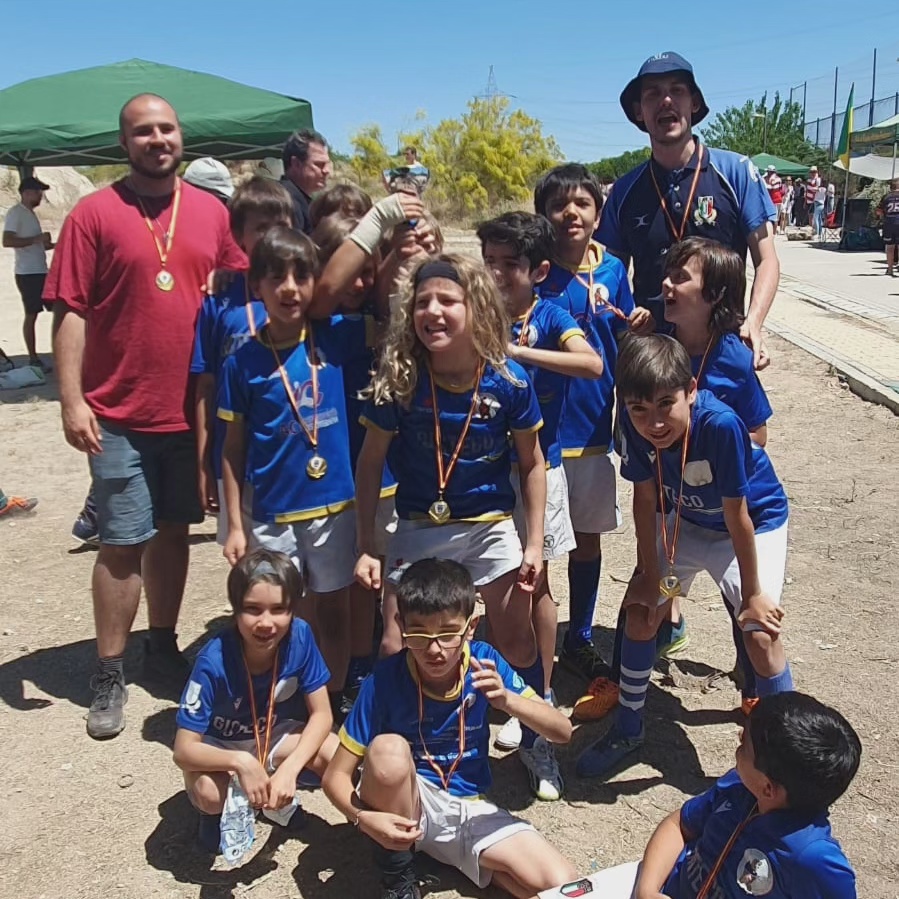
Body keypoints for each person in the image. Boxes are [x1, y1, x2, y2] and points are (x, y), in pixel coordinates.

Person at [45, 93, 247, 740]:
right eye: (143, 131)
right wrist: (72, 399)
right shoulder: (93, 213)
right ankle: (109, 669)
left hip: (190, 414)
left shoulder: (212, 212)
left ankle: (162, 646)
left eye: (167, 129)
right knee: (121, 541)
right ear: (123, 142)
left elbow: (241, 293)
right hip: (117, 412)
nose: (158, 140)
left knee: (173, 532)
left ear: (181, 136)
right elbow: (70, 310)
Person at [354, 256, 549, 760]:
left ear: (477, 307)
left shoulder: (509, 381)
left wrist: (533, 543)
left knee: (516, 641)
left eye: (447, 300)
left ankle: (535, 742)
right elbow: (370, 464)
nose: (433, 312)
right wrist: (366, 545)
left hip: (488, 527)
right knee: (396, 644)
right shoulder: (400, 380)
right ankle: (394, 747)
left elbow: (532, 464)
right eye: (422, 302)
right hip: (418, 525)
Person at [578, 335, 793, 779]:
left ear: (691, 390)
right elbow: (644, 500)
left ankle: (784, 756)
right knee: (642, 613)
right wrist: (649, 574)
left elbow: (737, 517)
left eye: (665, 404)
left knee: (760, 633)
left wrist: (752, 594)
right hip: (687, 522)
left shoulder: (721, 425)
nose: (654, 422)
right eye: (639, 408)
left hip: (753, 523)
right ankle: (628, 729)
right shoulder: (634, 426)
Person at [322, 558, 578, 899]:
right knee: (387, 751)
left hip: (468, 808)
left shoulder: (484, 662)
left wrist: (508, 702)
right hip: (412, 802)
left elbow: (562, 731)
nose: (434, 649)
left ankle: (449, 858)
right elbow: (335, 777)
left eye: (447, 634)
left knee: (562, 883)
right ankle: (398, 877)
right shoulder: (383, 680)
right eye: (419, 635)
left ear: (471, 627)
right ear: (401, 625)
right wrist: (361, 817)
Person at [218, 226, 373, 712]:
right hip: (273, 515)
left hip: (336, 508)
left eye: (302, 277)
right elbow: (232, 450)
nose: (289, 288)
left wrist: (385, 220)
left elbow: (395, 311)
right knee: (279, 614)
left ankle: (332, 702)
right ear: (256, 286)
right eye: (276, 278)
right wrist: (235, 525)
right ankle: (281, 707)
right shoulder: (242, 363)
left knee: (334, 610)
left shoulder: (336, 337)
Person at [477, 211, 603, 797]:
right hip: (478, 473)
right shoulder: (474, 310)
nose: (498, 273)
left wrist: (518, 354)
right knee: (492, 593)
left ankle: (538, 698)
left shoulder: (550, 315)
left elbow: (591, 363)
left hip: (538, 470)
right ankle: (501, 694)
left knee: (537, 585)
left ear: (540, 271)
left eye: (511, 263)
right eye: (490, 261)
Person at [563, 692, 860, 899]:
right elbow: (679, 824)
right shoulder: (739, 786)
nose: (738, 739)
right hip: (661, 884)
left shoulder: (813, 859)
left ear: (768, 788)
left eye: (745, 745)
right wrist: (647, 891)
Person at [533, 164, 645, 687]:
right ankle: (535, 642)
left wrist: (637, 325)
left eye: (582, 203)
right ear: (543, 214)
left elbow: (621, 339)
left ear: (599, 214)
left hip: (595, 427)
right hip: (542, 434)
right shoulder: (535, 271)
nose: (571, 213)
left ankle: (578, 636)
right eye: (559, 204)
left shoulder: (614, 270)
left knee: (588, 540)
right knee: (540, 546)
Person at [597, 51, 779, 370]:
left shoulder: (737, 172)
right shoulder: (624, 191)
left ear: (694, 103)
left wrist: (754, 321)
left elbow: (767, 260)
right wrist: (623, 322)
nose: (666, 100)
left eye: (677, 90)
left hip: (723, 351)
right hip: (653, 358)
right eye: (653, 94)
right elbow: (610, 274)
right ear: (639, 111)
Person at [173, 548, 338, 853]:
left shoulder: (300, 636)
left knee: (335, 752)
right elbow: (184, 750)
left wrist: (290, 770)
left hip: (270, 734)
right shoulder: (213, 661)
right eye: (252, 609)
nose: (266, 622)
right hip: (221, 745)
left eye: (279, 609)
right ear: (235, 609)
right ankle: (214, 812)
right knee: (210, 794)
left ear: (293, 609)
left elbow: (323, 715)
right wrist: (241, 762)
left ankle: (280, 798)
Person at [191, 177, 292, 531]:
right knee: (247, 554)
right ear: (238, 236)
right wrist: (204, 462)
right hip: (236, 458)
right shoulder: (219, 299)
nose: (271, 235)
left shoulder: (306, 292)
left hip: (294, 451)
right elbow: (205, 386)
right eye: (260, 228)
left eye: (281, 225)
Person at [2, 175, 54, 371]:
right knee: (32, 314)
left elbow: (36, 245)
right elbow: (7, 241)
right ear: (26, 193)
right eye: (37, 192)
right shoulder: (16, 213)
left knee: (59, 309)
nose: (40, 196)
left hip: (41, 270)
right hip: (27, 273)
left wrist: (53, 244)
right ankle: (33, 357)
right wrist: (36, 239)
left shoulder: (30, 214)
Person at [280, 128, 332, 234]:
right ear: (296, 164)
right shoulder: (286, 202)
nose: (326, 171)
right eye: (319, 164)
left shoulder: (299, 200)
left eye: (327, 164)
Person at [877, 177, 899, 276]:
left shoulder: (886, 197)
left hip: (889, 223)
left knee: (890, 247)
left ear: (891, 187)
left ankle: (890, 269)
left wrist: (882, 218)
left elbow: (879, 211)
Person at [805, 166, 821, 230]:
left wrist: (812, 189)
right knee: (810, 215)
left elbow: (819, 189)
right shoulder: (809, 180)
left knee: (814, 215)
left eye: (814, 172)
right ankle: (811, 228)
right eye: (811, 172)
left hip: (815, 200)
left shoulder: (818, 180)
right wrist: (805, 200)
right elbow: (807, 190)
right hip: (809, 200)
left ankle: (814, 229)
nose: (812, 173)